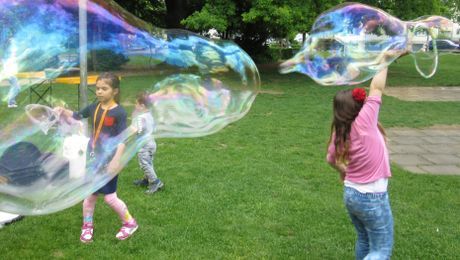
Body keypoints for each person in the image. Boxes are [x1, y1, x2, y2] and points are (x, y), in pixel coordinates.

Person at [55, 72, 138, 243]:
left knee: (109, 197)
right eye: (98, 88)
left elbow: (122, 138)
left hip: (109, 159)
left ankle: (129, 222)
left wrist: (116, 160)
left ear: (114, 91)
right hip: (93, 157)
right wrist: (63, 111)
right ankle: (87, 226)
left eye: (104, 89)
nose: (99, 92)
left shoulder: (119, 112)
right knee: (90, 195)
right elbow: (77, 115)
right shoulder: (94, 107)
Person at [326, 68, 393, 259]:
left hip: (351, 195)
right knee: (381, 249)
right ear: (359, 108)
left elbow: (330, 158)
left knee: (364, 239)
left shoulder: (340, 131)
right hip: (371, 196)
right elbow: (377, 87)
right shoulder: (364, 122)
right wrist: (385, 58)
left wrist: (343, 171)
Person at [131, 91, 164, 194]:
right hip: (151, 143)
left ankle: (155, 182)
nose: (135, 105)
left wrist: (132, 130)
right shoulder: (149, 115)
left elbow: (139, 130)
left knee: (144, 164)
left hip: (144, 145)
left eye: (136, 103)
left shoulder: (140, 118)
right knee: (149, 163)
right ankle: (147, 179)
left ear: (142, 106)